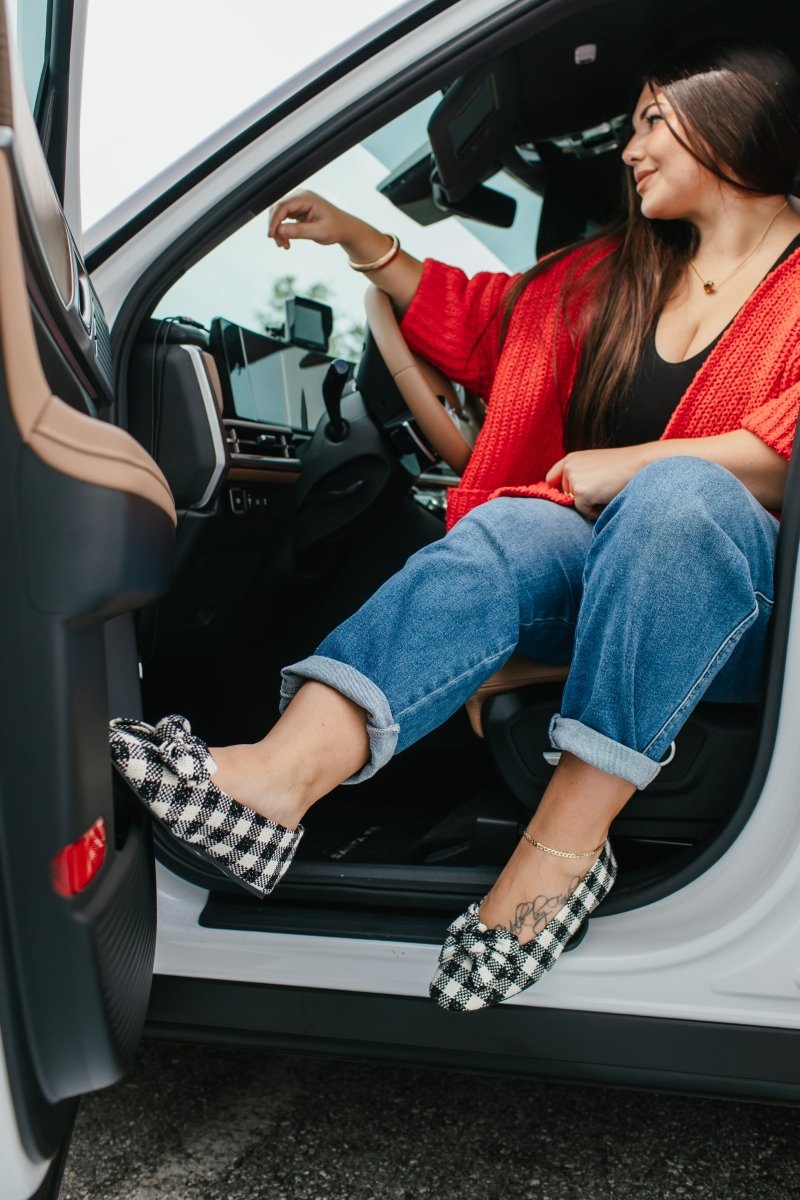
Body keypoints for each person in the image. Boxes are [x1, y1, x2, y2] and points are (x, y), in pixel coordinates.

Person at [111, 37, 800, 1012]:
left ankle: (563, 848)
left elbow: (780, 449)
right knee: (518, 528)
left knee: (675, 498)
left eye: (650, 122)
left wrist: (630, 465)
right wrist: (360, 240)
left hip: (751, 611)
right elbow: (485, 324)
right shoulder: (614, 269)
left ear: (729, 121)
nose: (629, 148)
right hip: (616, 577)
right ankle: (272, 781)